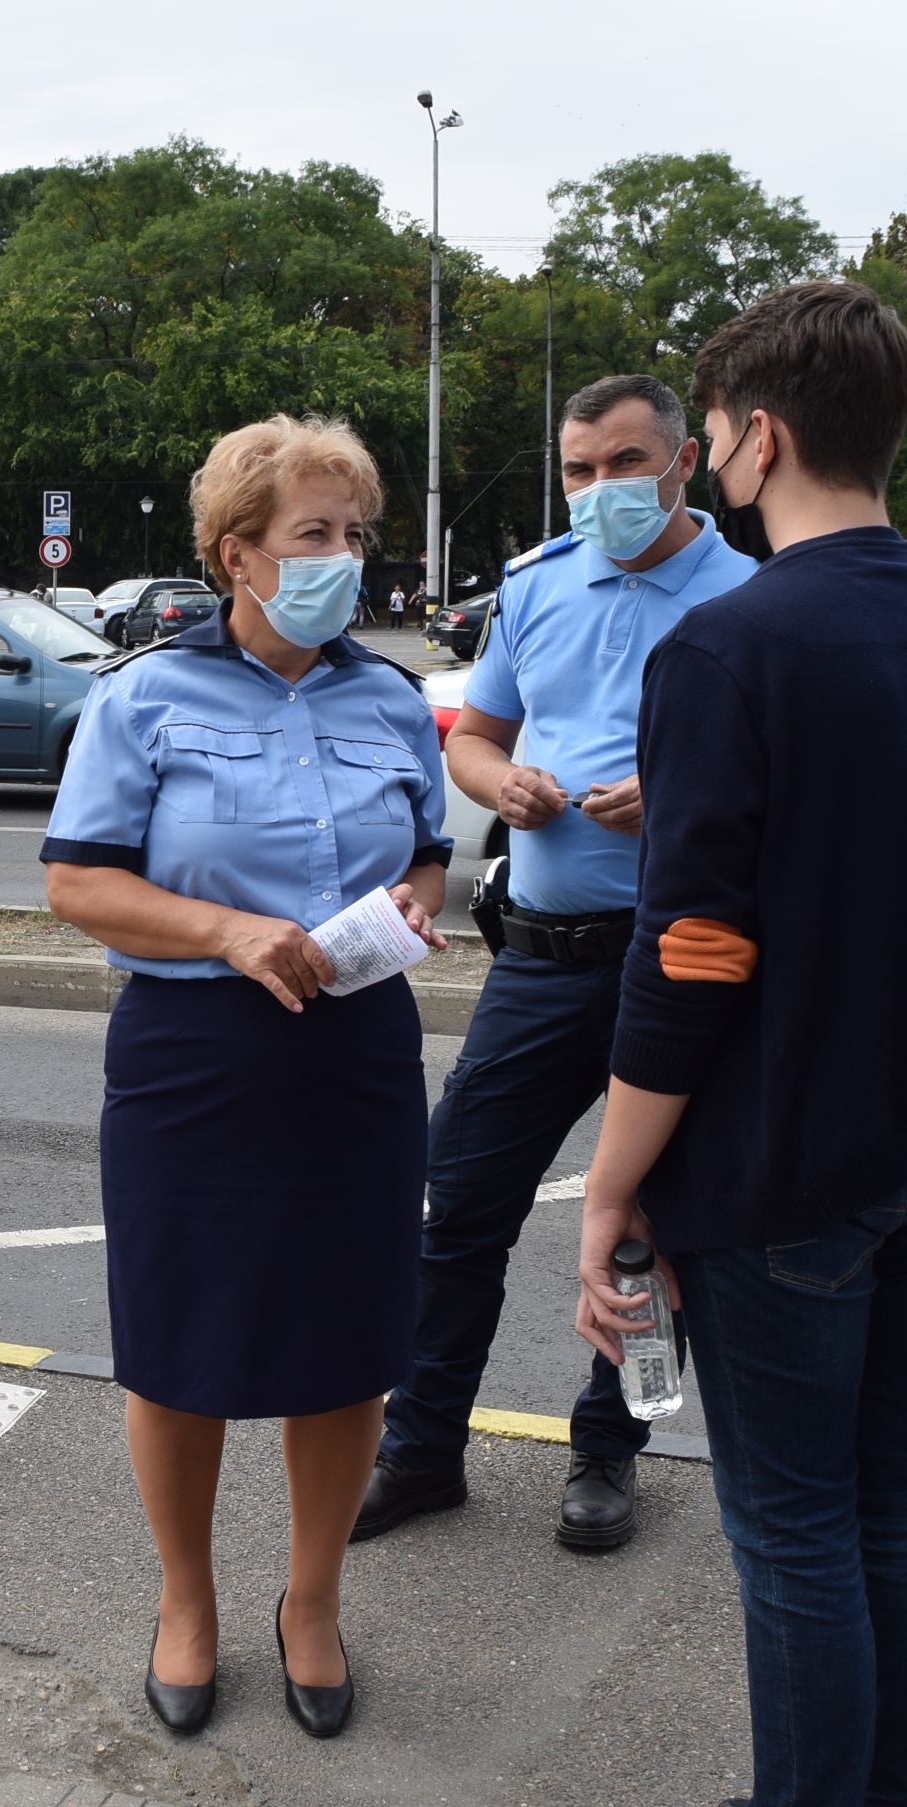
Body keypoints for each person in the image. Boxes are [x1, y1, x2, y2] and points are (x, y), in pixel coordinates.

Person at [577, 284, 907, 1807]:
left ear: (752, 437)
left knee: (788, 1531)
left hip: (777, 1160)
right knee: (884, 1497)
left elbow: (690, 954)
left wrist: (610, 1189)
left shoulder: (730, 645)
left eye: (700, 436)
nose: (695, 463)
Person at [42, 415, 448, 1741]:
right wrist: (225, 931)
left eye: (353, 535)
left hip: (355, 1049)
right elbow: (76, 880)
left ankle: (311, 1602)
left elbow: (429, 851)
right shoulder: (141, 698)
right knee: (181, 1343)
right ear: (236, 556)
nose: (343, 560)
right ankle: (185, 1600)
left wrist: (407, 902)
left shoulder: (388, 699)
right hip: (193, 1057)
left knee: (343, 1343)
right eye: (312, 536)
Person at [355, 376, 759, 1554]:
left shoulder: (751, 597)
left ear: (682, 463)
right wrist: (500, 783)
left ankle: (608, 1449)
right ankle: (421, 1445)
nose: (596, 492)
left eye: (623, 465)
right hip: (540, 957)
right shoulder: (534, 587)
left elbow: (796, 793)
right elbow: (475, 739)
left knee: (647, 1229)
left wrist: (682, 800)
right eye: (577, 471)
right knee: (455, 1206)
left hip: (680, 961)